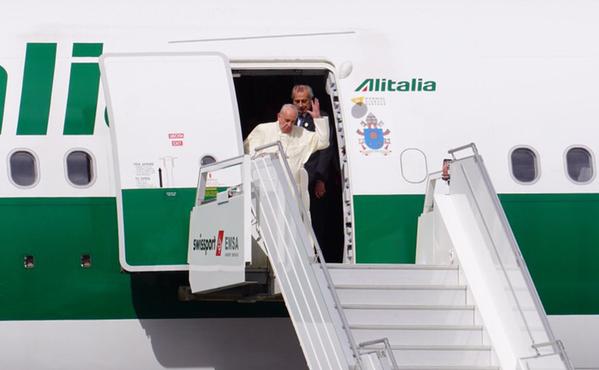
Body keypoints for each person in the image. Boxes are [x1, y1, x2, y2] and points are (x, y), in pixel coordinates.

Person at [244, 104, 329, 210]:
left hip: (291, 193)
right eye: (287, 120)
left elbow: (323, 142)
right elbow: (247, 155)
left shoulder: (301, 133)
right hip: (266, 192)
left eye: (293, 121)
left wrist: (317, 119)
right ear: (279, 116)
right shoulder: (263, 130)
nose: (289, 125)